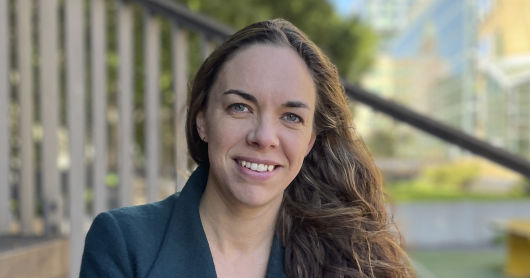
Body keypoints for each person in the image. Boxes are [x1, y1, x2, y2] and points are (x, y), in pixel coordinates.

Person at [80, 19, 414, 278]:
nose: (264, 136)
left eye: (291, 117)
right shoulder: (124, 242)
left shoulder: (351, 259)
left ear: (310, 140)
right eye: (240, 107)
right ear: (203, 121)